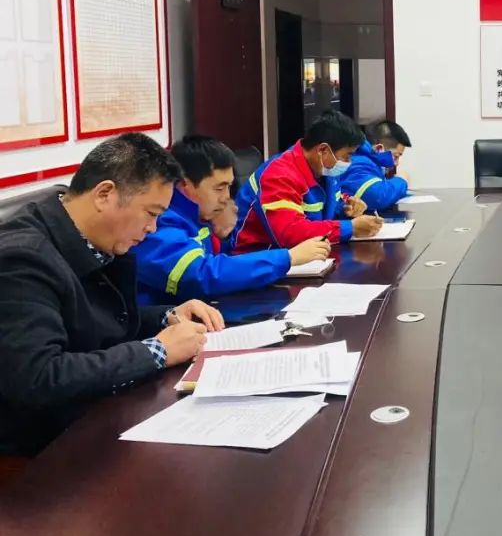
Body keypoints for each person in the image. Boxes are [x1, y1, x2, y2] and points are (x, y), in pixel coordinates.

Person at [0, 133, 224, 456]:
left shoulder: (89, 234)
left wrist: (167, 316)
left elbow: (94, 318)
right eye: (151, 213)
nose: (153, 228)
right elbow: (40, 377)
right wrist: (157, 351)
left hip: (94, 415)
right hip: (38, 450)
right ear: (104, 194)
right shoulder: (22, 259)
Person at [134, 135, 331, 304]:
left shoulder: (200, 215)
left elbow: (224, 264)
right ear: (185, 184)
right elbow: (201, 276)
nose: (226, 197)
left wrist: (223, 237)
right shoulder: (160, 220)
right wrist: (288, 258)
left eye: (229, 187)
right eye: (219, 188)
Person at [233, 110, 382, 252]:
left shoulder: (325, 170)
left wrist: (346, 210)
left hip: (302, 255)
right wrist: (350, 228)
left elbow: (323, 215)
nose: (348, 162)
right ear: (323, 150)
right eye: (347, 156)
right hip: (258, 256)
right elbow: (290, 233)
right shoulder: (280, 175)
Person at [339, 120, 412, 213]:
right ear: (379, 148)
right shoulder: (359, 163)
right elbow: (378, 197)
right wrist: (402, 180)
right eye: (396, 156)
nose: (396, 163)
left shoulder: (368, 162)